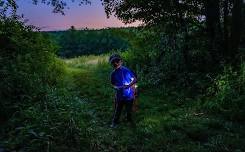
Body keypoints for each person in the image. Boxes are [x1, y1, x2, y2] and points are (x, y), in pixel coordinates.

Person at [109, 54, 137, 128]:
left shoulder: (126, 70)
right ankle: (115, 122)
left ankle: (129, 120)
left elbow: (134, 79)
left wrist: (129, 86)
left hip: (129, 95)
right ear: (112, 64)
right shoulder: (113, 74)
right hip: (119, 96)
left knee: (129, 110)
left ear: (121, 62)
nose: (115, 63)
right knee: (118, 110)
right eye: (113, 62)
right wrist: (116, 87)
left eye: (117, 61)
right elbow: (112, 84)